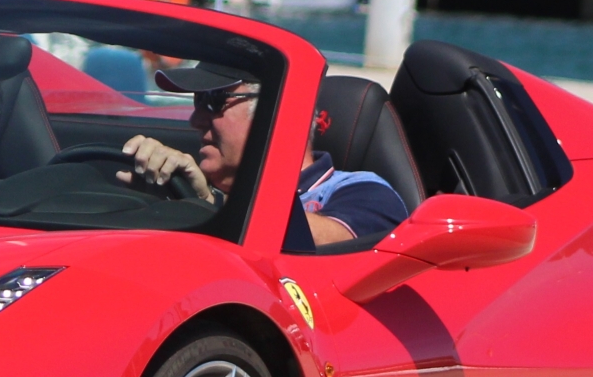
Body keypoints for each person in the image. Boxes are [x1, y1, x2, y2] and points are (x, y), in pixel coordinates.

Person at [115, 62, 408, 248]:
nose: (195, 119)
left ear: (278, 111)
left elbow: (332, 248)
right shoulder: (193, 187)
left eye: (215, 101)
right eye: (197, 100)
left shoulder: (365, 191)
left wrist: (210, 204)